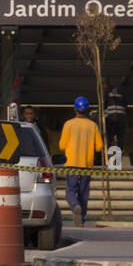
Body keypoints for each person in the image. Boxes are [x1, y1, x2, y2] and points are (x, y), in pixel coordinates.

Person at [59, 96, 103, 227]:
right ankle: (81, 218)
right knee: (84, 192)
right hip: (87, 164)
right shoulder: (93, 125)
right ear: (88, 110)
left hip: (72, 163)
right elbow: (99, 147)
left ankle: (75, 205)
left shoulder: (68, 124)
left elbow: (61, 145)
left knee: (70, 191)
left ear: (75, 109)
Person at [103, 80, 126, 154]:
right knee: (120, 138)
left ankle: (109, 153)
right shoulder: (121, 91)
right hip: (121, 118)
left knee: (109, 138)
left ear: (105, 84)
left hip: (111, 119)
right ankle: (119, 152)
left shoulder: (106, 91)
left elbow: (103, 104)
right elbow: (126, 104)